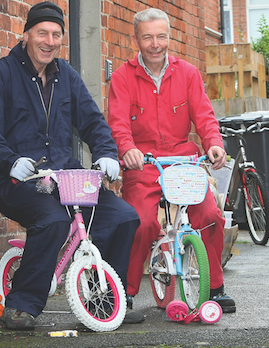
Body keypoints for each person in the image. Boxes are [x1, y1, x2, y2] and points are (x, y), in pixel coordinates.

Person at [0, 1, 143, 330]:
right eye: (42, 33)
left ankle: (102, 302)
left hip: (64, 179)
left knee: (123, 217)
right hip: (14, 180)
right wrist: (10, 162)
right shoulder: (0, 74)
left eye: (56, 35)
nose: (49, 41)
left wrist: (106, 152)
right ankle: (20, 305)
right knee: (51, 221)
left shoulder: (66, 75)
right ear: (26, 35)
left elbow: (93, 122)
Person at [108, 8, 236, 313]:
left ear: (170, 37)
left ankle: (214, 287)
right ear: (136, 38)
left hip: (183, 163)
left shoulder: (188, 73)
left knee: (210, 215)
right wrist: (127, 149)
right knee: (140, 222)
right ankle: (125, 293)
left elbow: (204, 117)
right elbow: (117, 123)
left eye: (161, 36)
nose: (155, 44)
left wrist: (214, 144)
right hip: (144, 165)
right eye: (148, 37)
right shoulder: (123, 77)